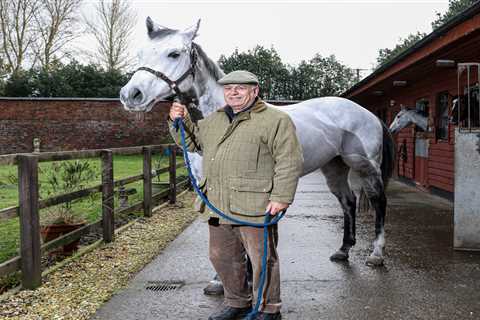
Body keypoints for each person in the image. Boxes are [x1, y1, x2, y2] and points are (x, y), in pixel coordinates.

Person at [168, 70, 303, 320]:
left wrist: (281, 196)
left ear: (255, 91)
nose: (233, 92)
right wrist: (179, 121)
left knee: (263, 259)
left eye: (240, 88)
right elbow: (192, 144)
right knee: (222, 258)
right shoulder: (214, 120)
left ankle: (268, 308)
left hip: (255, 204)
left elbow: (289, 160)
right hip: (217, 203)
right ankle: (237, 302)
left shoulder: (276, 120)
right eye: (228, 88)